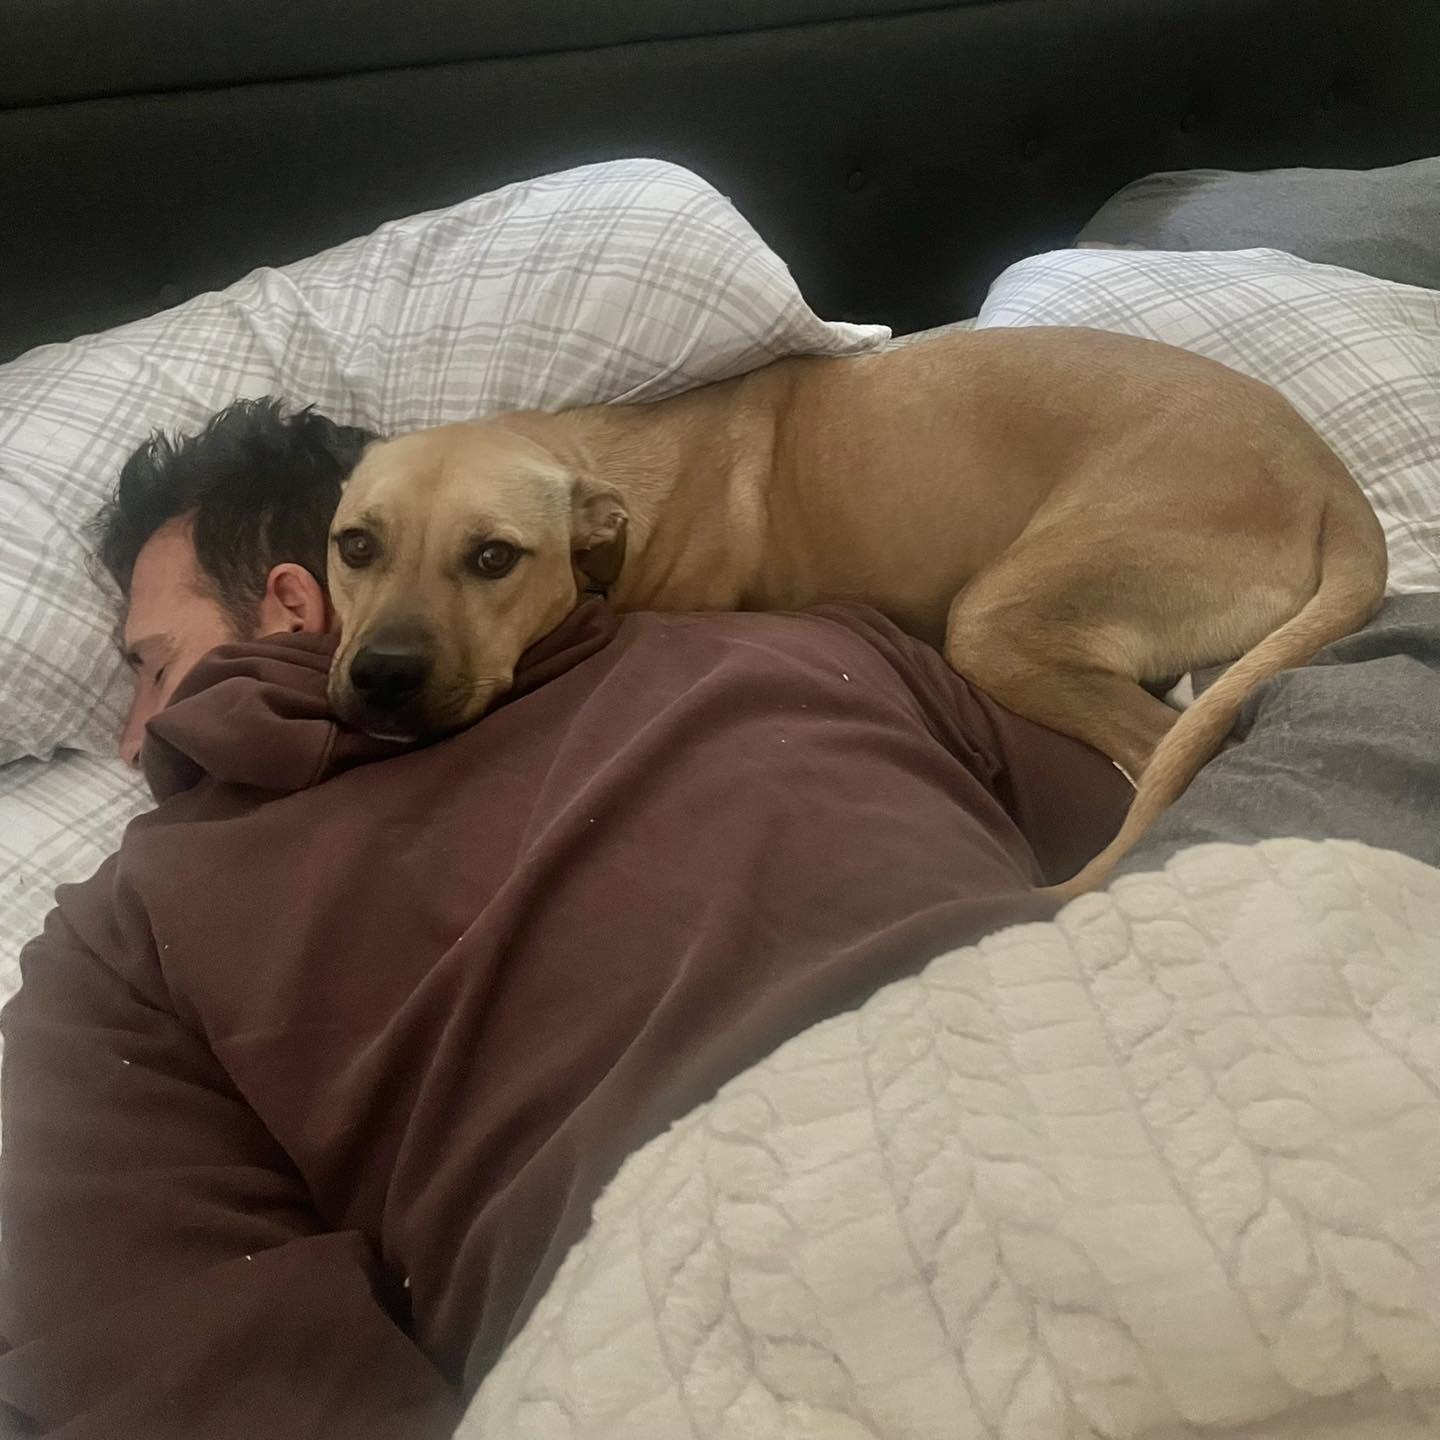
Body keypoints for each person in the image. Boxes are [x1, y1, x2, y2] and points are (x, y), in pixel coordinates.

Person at [0, 398, 1131, 1438]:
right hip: (1102, 1169)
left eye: (152, 670)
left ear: (297, 606)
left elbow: (169, 1346)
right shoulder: (817, 649)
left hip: (784, 1297)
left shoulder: (130, 925)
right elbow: (1167, 837)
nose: (131, 736)